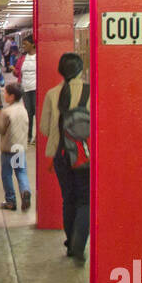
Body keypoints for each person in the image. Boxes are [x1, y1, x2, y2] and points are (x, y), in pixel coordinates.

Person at [40, 52, 89, 262]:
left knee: (68, 199)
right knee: (85, 201)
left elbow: (43, 128)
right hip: (85, 156)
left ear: (61, 70)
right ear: (80, 69)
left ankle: (70, 242)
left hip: (61, 155)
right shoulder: (92, 91)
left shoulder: (52, 94)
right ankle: (79, 243)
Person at [0, 82, 31, 211]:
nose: (4, 95)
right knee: (21, 172)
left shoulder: (6, 112)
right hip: (20, 148)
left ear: (12, 96)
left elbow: (0, 129)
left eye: (6, 93)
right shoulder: (23, 110)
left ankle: (11, 201)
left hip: (9, 149)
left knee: (7, 175)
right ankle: (25, 191)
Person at [19, 36, 37, 135]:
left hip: (36, 89)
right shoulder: (23, 58)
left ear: (33, 45)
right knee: (28, 113)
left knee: (36, 112)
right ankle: (29, 135)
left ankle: (37, 136)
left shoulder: (39, 57)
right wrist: (14, 71)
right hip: (25, 89)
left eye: (25, 44)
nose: (23, 46)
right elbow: (19, 72)